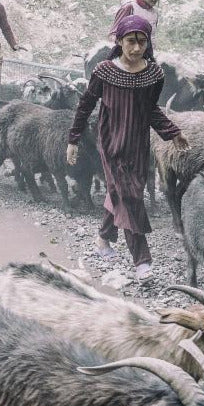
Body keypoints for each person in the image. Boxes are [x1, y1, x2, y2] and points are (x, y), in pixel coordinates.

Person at [66, 14, 189, 281]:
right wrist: (73, 139)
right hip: (110, 143)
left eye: (142, 42)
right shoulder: (104, 71)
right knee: (130, 197)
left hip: (138, 144)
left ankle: (103, 237)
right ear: (120, 41)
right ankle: (142, 260)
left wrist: (173, 133)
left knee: (122, 193)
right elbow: (86, 105)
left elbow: (151, 110)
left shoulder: (154, 74)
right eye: (130, 41)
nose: (136, 48)